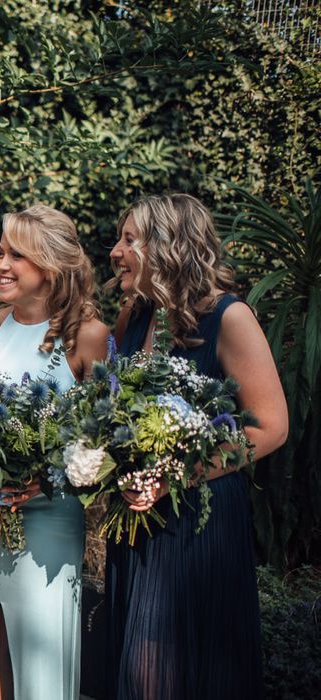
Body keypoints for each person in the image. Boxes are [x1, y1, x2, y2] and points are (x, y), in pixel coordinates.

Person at [106, 193, 288, 700]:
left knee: (169, 671)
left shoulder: (229, 318)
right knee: (137, 666)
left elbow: (271, 427)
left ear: (167, 247)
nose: (115, 252)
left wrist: (177, 475)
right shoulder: (133, 319)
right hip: (137, 518)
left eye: (128, 240)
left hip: (196, 521)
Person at [0, 204, 109, 700]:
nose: (1, 264)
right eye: (1, 252)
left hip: (48, 516)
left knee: (37, 658)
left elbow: (106, 439)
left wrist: (46, 479)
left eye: (16, 255)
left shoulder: (88, 337)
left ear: (49, 265)